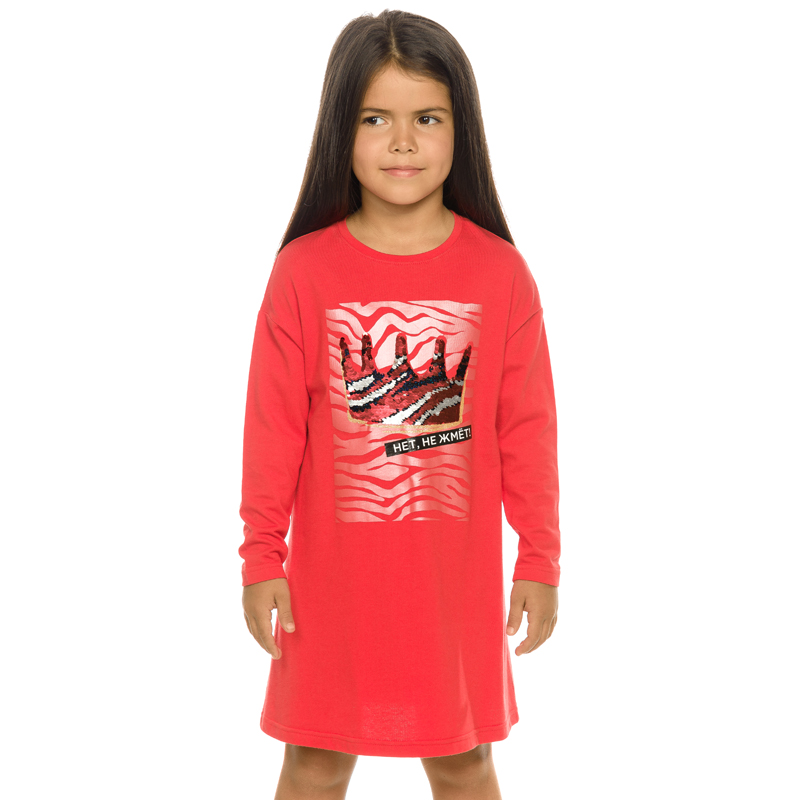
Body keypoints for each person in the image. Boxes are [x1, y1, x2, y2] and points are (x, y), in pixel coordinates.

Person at [238, 10, 561, 799]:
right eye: (375, 119)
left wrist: (540, 558)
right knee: (315, 762)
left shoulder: (501, 275)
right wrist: (260, 557)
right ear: (340, 131)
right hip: (331, 591)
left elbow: (527, 430)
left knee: (464, 761)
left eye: (428, 119)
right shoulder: (303, 273)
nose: (403, 143)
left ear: (461, 129)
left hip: (453, 591)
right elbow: (273, 429)